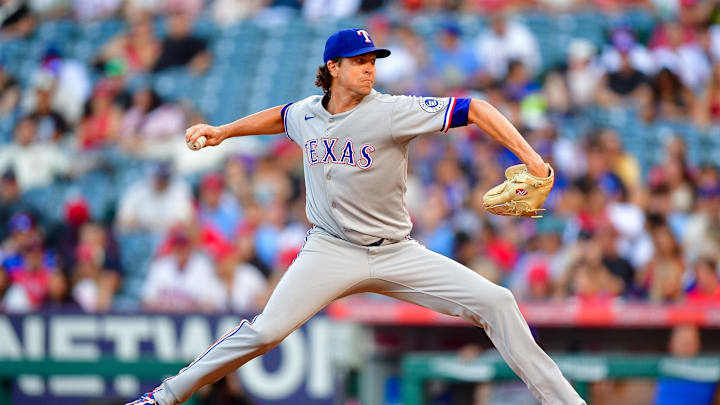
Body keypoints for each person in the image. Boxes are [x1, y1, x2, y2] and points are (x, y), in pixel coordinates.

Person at [127, 28, 584, 405]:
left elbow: (477, 108)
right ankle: (163, 398)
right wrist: (224, 131)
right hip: (329, 249)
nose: (370, 67)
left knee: (498, 301)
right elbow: (281, 117)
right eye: (359, 60)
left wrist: (532, 157)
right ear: (333, 68)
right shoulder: (308, 113)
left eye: (373, 60)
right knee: (265, 331)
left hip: (396, 252)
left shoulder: (390, 111)